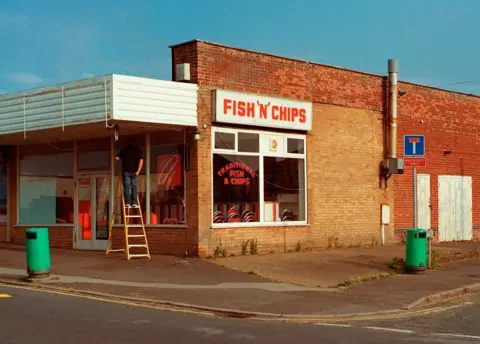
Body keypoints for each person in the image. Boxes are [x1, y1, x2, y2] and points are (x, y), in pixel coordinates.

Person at [116, 140, 144, 208]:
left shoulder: (124, 150)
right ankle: (134, 202)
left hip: (126, 171)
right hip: (134, 172)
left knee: (127, 187)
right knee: (134, 187)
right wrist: (138, 172)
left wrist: (119, 157)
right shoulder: (138, 151)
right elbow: (141, 161)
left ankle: (128, 203)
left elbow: (117, 158)